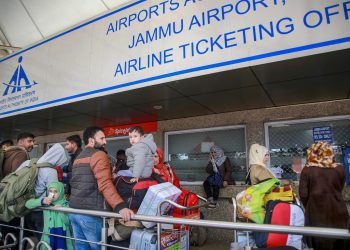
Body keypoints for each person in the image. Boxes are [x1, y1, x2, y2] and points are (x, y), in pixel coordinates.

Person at [69, 126, 134, 250]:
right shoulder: (99, 155)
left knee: (81, 247)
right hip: (90, 214)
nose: (105, 141)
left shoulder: (78, 158)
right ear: (91, 140)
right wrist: (120, 206)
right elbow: (105, 183)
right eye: (102, 138)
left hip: (74, 211)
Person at [299, 141, 349, 250]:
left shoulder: (307, 170)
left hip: (316, 214)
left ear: (311, 152)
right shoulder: (339, 169)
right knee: (340, 241)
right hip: (339, 212)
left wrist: (311, 204)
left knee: (319, 241)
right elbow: (340, 188)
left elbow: (303, 194)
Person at [18, 143, 68, 240]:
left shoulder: (28, 163)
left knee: (32, 239)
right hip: (41, 212)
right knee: (45, 240)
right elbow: (53, 193)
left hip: (26, 208)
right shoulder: (50, 171)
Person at [25, 181, 73, 250]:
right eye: (50, 191)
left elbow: (67, 222)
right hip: (48, 235)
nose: (52, 194)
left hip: (62, 235)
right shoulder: (46, 202)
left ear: (61, 192)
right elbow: (27, 204)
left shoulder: (65, 204)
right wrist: (42, 201)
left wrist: (61, 210)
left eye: (55, 191)